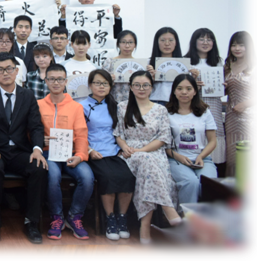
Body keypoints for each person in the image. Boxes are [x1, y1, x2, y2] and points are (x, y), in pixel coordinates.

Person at [0, 52, 48, 244]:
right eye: (0, 70)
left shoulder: (28, 95)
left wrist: (37, 149)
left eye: (9, 68)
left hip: (20, 151)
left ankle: (32, 222)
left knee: (38, 168)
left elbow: (36, 126)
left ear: (17, 71)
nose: (5, 73)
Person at [114, 70, 180, 245]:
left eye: (145, 85)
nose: (141, 88)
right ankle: (168, 209)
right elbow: (118, 134)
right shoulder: (122, 107)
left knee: (147, 166)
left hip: (153, 152)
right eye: (137, 85)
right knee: (146, 162)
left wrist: (141, 150)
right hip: (129, 154)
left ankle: (145, 225)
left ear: (151, 87)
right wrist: (125, 147)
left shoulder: (160, 109)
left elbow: (163, 138)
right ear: (130, 87)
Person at [38, 64, 94, 240]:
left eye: (60, 79)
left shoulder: (76, 107)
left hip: (71, 153)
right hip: (49, 153)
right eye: (52, 79)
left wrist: (80, 156)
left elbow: (82, 134)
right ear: (46, 81)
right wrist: (40, 141)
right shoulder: (38, 105)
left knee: (87, 177)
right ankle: (57, 217)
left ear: (66, 81)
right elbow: (31, 131)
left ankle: (74, 216)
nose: (56, 83)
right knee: (52, 176)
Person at [81, 70, 135, 241]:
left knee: (127, 176)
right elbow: (78, 133)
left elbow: (120, 132)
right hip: (94, 151)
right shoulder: (81, 106)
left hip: (114, 150)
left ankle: (122, 217)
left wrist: (123, 147)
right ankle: (110, 218)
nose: (101, 86)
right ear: (90, 85)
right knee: (108, 177)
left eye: (105, 83)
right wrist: (89, 151)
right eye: (97, 83)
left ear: (110, 86)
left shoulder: (116, 106)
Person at [165, 74, 217, 204]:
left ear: (195, 91)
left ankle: (207, 215)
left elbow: (212, 141)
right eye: (180, 88)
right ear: (174, 91)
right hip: (176, 159)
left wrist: (201, 156)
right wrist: (178, 157)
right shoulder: (166, 112)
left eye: (188, 89)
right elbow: (163, 144)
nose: (184, 92)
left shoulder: (205, 111)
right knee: (190, 182)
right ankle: (188, 215)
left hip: (202, 158)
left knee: (209, 183)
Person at [184, 28, 226, 168]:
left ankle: (214, 167)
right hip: (193, 104)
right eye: (201, 39)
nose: (205, 42)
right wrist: (193, 86)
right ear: (194, 42)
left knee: (214, 132)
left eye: (209, 39)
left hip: (214, 104)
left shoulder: (219, 62)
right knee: (195, 132)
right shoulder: (186, 61)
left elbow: (222, 89)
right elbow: (179, 86)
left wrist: (224, 86)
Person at [223, 31, 257, 177]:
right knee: (232, 158)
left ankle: (250, 189)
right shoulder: (227, 67)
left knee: (250, 157)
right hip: (232, 117)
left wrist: (244, 105)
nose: (237, 48)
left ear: (248, 47)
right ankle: (232, 189)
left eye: (241, 45)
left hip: (251, 118)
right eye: (234, 45)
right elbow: (224, 91)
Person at [147, 27, 198, 105]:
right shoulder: (148, 63)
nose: (167, 44)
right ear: (156, 42)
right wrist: (150, 78)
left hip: (179, 101)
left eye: (171, 40)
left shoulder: (185, 64)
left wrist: (193, 78)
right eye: (162, 40)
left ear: (176, 43)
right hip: (156, 100)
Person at [102, 30, 138, 104]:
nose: (127, 46)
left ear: (135, 45)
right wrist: (108, 80)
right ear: (118, 44)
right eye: (123, 42)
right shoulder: (110, 62)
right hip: (113, 102)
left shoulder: (139, 64)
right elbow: (100, 82)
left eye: (130, 42)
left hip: (134, 103)